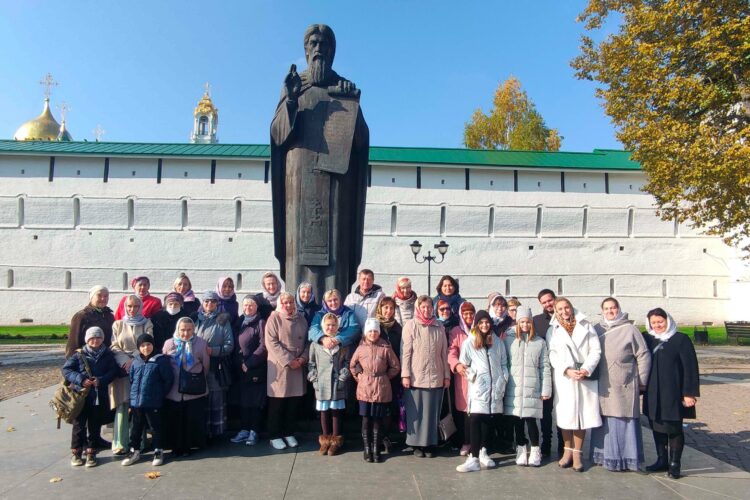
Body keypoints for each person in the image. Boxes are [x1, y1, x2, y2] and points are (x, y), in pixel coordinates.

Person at [270, 23, 369, 302]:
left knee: (335, 243)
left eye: (323, 45)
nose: (318, 49)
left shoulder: (344, 89)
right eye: (312, 44)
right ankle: (296, 310)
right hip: (299, 181)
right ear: (305, 50)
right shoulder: (294, 87)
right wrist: (289, 100)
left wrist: (352, 106)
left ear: (332, 51)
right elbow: (278, 135)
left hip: (335, 184)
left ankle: (333, 308)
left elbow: (360, 142)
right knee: (299, 245)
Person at [590, 297, 651, 472]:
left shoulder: (630, 329)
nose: (610, 311)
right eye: (607, 308)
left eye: (613, 308)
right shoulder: (597, 329)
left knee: (623, 419)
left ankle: (626, 458)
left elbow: (643, 355)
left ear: (619, 309)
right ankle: (604, 456)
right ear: (602, 311)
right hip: (603, 382)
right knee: (604, 420)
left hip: (623, 381)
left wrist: (642, 381)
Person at [642, 308, 699, 479]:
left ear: (668, 321)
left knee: (673, 428)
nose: (657, 325)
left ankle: (675, 464)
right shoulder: (647, 338)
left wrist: (689, 393)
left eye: (660, 321)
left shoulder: (680, 339)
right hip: (653, 391)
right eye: (654, 322)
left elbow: (690, 368)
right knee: (656, 425)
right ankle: (662, 460)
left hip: (673, 392)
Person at [547, 297, 602, 472]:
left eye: (566, 308)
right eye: (560, 309)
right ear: (556, 311)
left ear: (571, 308)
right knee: (566, 416)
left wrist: (586, 369)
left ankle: (578, 453)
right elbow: (552, 354)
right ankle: (567, 451)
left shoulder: (586, 325)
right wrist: (567, 370)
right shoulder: (553, 330)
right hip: (565, 378)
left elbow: (595, 349)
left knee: (582, 416)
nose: (564, 312)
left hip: (584, 377)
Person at [455, 310, 509, 473]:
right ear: (477, 325)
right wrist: (475, 377)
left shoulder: (498, 342)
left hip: (495, 388)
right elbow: (464, 364)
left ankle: (484, 451)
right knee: (476, 419)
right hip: (479, 388)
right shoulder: (469, 342)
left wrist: (503, 379)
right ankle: (474, 457)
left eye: (487, 322)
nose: (485, 325)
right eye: (481, 323)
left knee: (488, 420)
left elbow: (504, 363)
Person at [401, 295, 450, 458]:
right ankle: (416, 444)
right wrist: (405, 375)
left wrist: (446, 375)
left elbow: (444, 353)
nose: (426, 310)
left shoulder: (439, 326)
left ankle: (430, 444)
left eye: (429, 307)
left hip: (435, 376)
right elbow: (406, 352)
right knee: (416, 413)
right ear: (418, 308)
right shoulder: (411, 325)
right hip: (416, 376)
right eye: (423, 307)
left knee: (431, 413)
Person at [63, 326, 118, 467]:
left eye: (98, 338)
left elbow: (113, 371)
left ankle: (91, 452)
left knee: (94, 425)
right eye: (92, 338)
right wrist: (81, 379)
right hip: (81, 396)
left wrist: (101, 380)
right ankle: (76, 452)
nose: (95, 341)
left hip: (98, 395)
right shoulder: (79, 354)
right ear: (87, 340)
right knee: (79, 426)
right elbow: (66, 370)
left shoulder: (107, 354)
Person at [503, 306, 551, 467]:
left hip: (532, 388)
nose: (525, 325)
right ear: (517, 323)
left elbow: (544, 367)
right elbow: (505, 363)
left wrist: (545, 389)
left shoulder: (539, 342)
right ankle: (521, 448)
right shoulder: (509, 340)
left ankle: (535, 449)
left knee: (531, 421)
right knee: (517, 422)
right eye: (522, 322)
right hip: (514, 388)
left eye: (528, 322)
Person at [351, 317, 401, 463]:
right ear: (366, 332)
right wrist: (359, 376)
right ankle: (367, 448)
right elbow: (353, 365)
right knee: (366, 419)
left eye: (375, 331)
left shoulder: (385, 348)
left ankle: (376, 448)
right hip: (365, 387)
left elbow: (395, 366)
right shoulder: (360, 348)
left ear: (378, 332)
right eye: (370, 331)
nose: (372, 333)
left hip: (381, 387)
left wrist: (385, 377)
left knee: (378, 420)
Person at [110, 294, 154, 455]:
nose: (132, 309)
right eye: (129, 306)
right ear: (124, 307)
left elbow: (149, 342)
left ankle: (139, 441)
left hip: (140, 366)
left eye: (136, 306)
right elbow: (114, 346)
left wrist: (134, 360)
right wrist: (124, 361)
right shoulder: (118, 324)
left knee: (138, 405)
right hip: (122, 369)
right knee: (122, 405)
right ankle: (120, 443)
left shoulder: (147, 323)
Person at [121, 333, 174, 467]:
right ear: (139, 347)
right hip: (137, 402)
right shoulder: (136, 361)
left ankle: (158, 450)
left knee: (155, 427)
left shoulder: (160, 360)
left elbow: (168, 379)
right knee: (136, 428)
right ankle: (134, 450)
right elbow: (132, 379)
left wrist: (160, 394)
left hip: (153, 401)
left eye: (148, 344)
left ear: (153, 345)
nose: (146, 348)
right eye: (143, 345)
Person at [265, 291, 309, 450]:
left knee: (293, 403)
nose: (289, 305)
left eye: (291, 302)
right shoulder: (274, 318)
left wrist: (303, 358)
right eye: (285, 302)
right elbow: (271, 342)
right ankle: (274, 435)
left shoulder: (301, 318)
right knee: (278, 403)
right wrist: (289, 361)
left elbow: (307, 341)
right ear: (280, 304)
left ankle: (288, 432)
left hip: (298, 365)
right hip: (281, 367)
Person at [163, 317, 210, 457]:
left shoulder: (201, 343)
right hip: (174, 389)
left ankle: (190, 445)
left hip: (194, 390)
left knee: (192, 419)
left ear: (194, 329)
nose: (186, 333)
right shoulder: (169, 343)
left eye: (189, 330)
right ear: (178, 329)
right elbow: (165, 364)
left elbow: (205, 365)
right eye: (183, 330)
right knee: (175, 419)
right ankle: (175, 446)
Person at [308, 313, 351, 456]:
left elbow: (347, 362)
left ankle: (336, 440)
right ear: (323, 326)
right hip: (321, 383)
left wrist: (343, 377)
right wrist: (314, 379)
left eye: (333, 325)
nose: (331, 328)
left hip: (337, 383)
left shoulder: (343, 344)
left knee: (336, 412)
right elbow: (311, 364)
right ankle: (325, 440)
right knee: (324, 411)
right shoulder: (315, 344)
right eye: (328, 325)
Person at [194, 291, 234, 439]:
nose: (209, 304)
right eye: (206, 301)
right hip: (196, 366)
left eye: (212, 302)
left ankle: (215, 433)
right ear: (202, 303)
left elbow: (229, 345)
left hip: (215, 366)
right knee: (199, 399)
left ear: (217, 304)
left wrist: (213, 351)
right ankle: (201, 432)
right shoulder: (195, 319)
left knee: (215, 398)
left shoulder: (222, 320)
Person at [229, 295, 268, 447]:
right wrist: (240, 363)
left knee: (255, 401)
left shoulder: (260, 322)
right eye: (245, 305)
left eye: (251, 305)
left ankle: (254, 430)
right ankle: (244, 429)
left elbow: (263, 346)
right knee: (243, 401)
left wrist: (250, 362)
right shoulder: (239, 321)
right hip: (239, 367)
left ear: (256, 307)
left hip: (255, 368)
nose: (248, 308)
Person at [533, 288, 560, 458]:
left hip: (564, 373)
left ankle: (564, 444)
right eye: (544, 302)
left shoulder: (566, 316)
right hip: (546, 372)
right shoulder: (537, 321)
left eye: (550, 300)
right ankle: (547, 443)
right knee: (546, 411)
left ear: (555, 299)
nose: (548, 304)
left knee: (563, 409)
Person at [375, 296, 403, 453]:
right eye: (386, 307)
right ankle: (376, 437)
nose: (388, 311)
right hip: (377, 374)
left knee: (389, 407)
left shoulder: (397, 328)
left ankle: (385, 436)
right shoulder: (374, 326)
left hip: (392, 374)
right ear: (380, 308)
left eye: (391, 308)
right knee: (377, 406)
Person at [447, 301, 475, 456]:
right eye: (465, 314)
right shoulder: (456, 331)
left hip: (478, 377)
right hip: (463, 377)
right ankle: (466, 441)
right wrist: (456, 364)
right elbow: (452, 351)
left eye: (471, 313)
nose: (469, 316)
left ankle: (478, 442)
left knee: (477, 411)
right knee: (465, 413)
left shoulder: (479, 329)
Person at [66, 285, 115, 359]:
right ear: (91, 297)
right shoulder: (81, 316)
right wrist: (72, 361)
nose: (103, 298)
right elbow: (73, 343)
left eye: (106, 296)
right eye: (99, 295)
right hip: (87, 360)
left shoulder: (110, 316)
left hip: (106, 360)